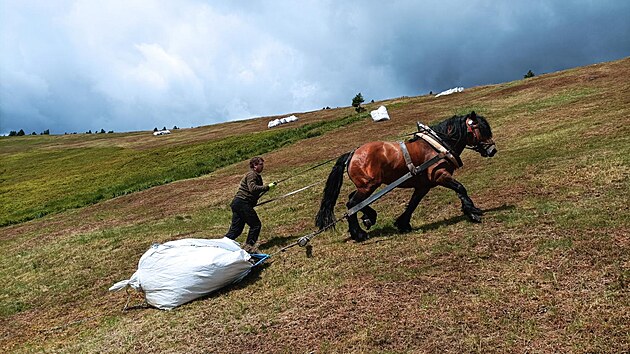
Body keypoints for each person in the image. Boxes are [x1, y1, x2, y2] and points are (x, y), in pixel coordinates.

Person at [224, 157, 276, 253]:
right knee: (256, 225)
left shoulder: (255, 175)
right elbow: (252, 188)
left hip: (238, 203)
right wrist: (266, 187)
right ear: (255, 165)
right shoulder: (252, 175)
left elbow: (253, 192)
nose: (262, 166)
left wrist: (266, 189)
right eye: (261, 164)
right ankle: (249, 248)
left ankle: (222, 245)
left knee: (236, 230)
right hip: (242, 203)